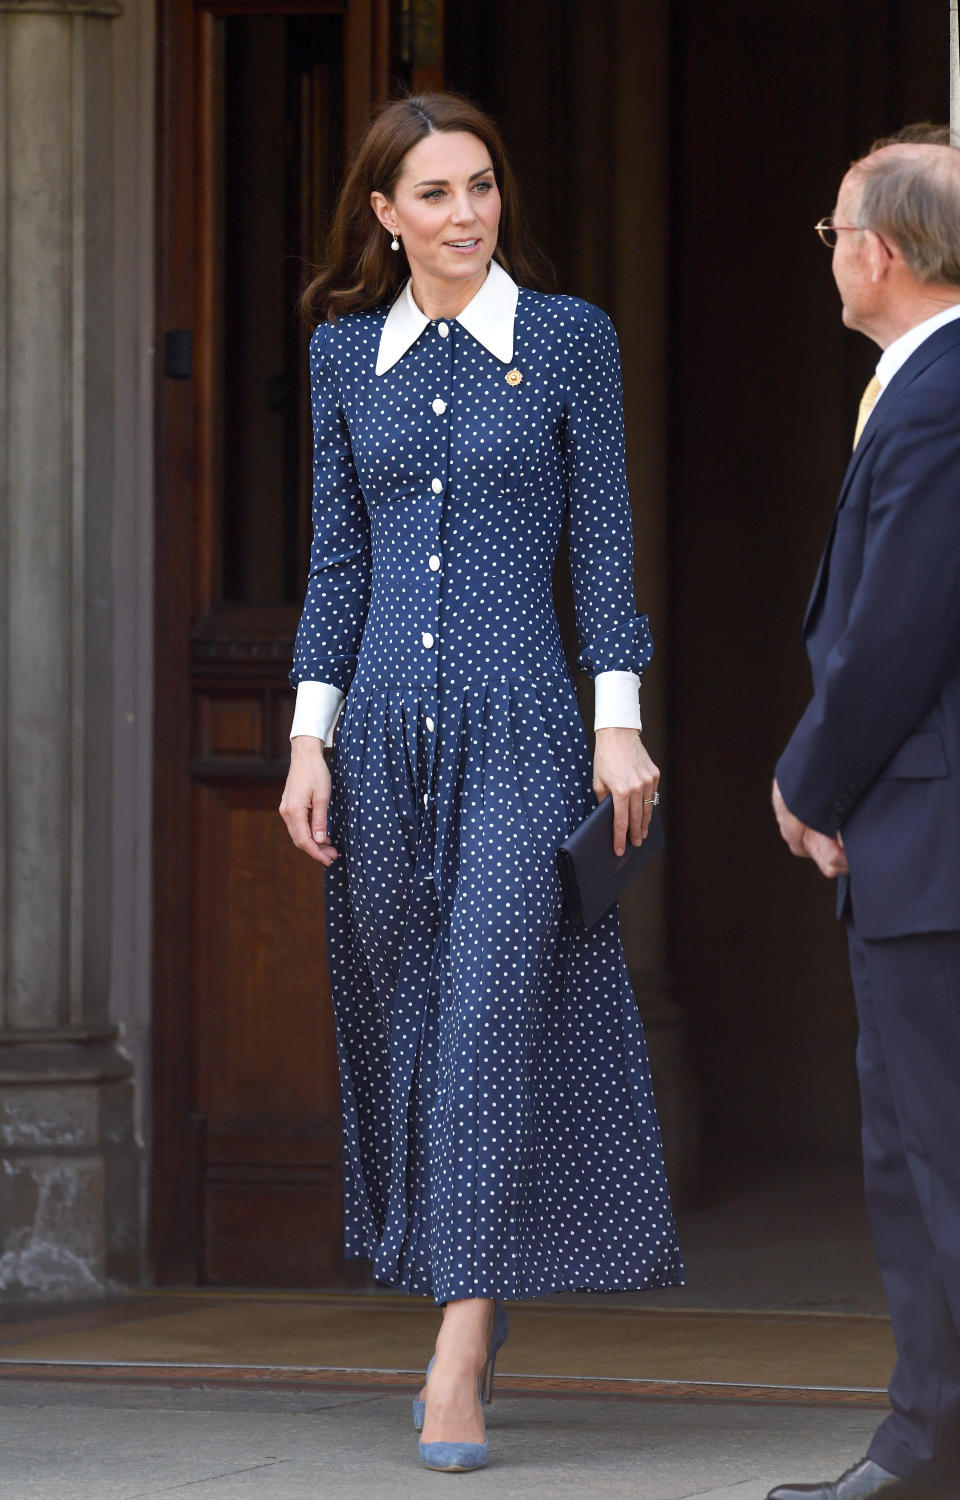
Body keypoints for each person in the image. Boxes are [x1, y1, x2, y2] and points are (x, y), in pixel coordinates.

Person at [279, 92, 683, 1474]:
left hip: (525, 733)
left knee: (494, 1008)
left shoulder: (569, 342)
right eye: (435, 195)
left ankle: (457, 1355)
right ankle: (469, 1275)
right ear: (384, 218)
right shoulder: (346, 360)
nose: (465, 216)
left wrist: (614, 723)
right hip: (382, 736)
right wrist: (304, 740)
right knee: (416, 1017)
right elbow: (337, 564)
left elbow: (604, 552)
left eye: (482, 187)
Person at [770, 142, 960, 1500]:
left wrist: (805, 780)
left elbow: (896, 632)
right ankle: (924, 1439)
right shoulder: (923, 386)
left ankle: (927, 1445)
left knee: (935, 1162)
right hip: (913, 841)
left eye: (833, 228)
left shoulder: (941, 397)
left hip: (931, 845)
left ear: (877, 252)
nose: (829, 247)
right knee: (910, 1158)